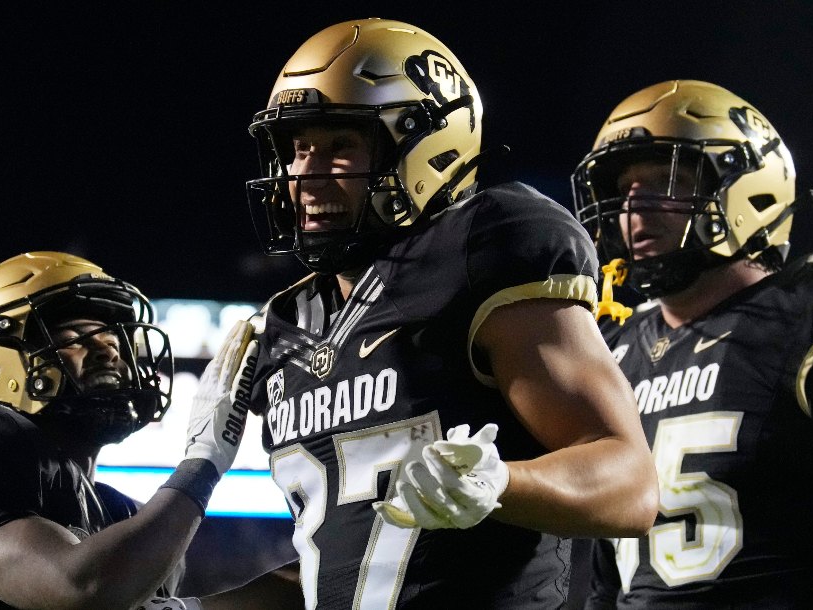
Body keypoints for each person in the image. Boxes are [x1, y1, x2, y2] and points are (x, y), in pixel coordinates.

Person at [231, 18, 659, 608]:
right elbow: (340, 570)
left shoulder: (485, 246)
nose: (305, 172)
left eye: (340, 146)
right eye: (298, 147)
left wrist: (502, 481)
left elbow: (630, 484)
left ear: (425, 146)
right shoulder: (290, 321)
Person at [570, 80, 813, 608]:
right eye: (623, 190)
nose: (634, 209)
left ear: (747, 189)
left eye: (664, 181)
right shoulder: (616, 349)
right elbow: (606, 577)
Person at [0, 251, 264, 609]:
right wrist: (202, 461)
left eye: (114, 338)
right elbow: (80, 589)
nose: (109, 350)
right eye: (77, 333)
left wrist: (316, 570)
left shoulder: (124, 517)